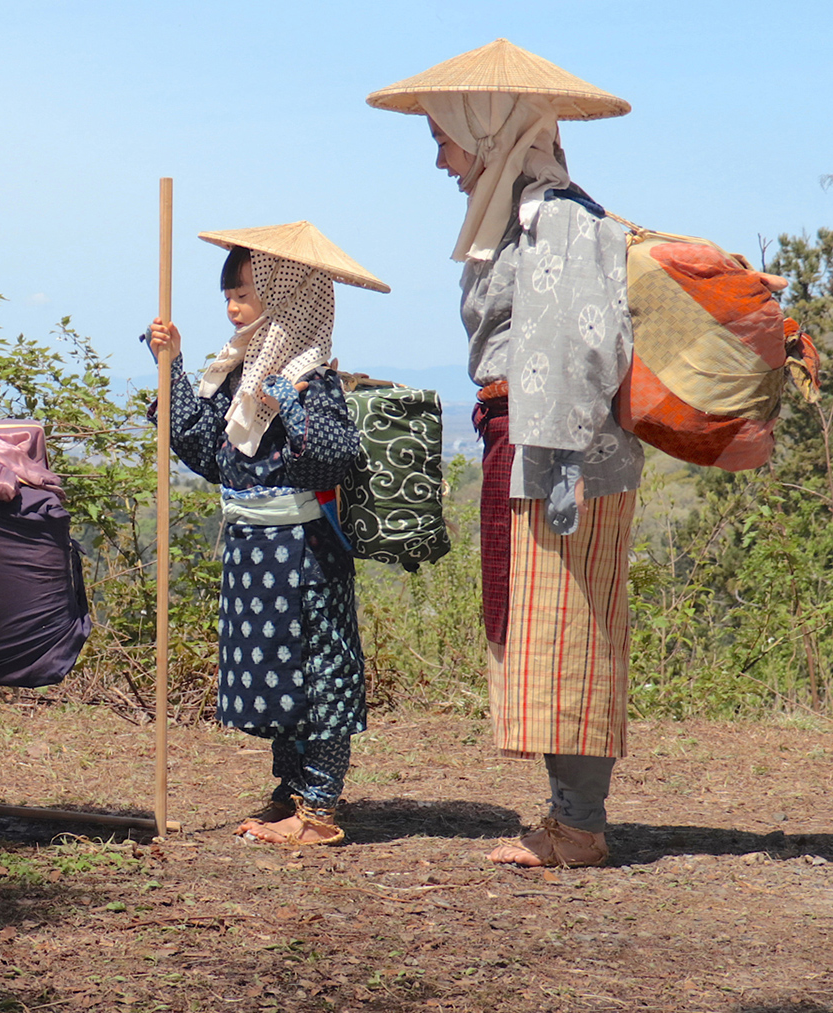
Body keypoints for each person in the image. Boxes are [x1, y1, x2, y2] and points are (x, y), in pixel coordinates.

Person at [368, 39, 642, 866]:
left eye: (446, 138)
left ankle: (579, 826)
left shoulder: (555, 217)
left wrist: (556, 463)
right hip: (529, 440)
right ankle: (568, 816)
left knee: (570, 625)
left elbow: (585, 350)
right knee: (544, 623)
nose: (443, 159)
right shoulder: (516, 217)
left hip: (557, 450)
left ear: (487, 130)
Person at [148, 222, 388, 847]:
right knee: (279, 674)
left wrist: (287, 399)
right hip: (253, 554)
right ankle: (292, 791)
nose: (232, 309)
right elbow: (207, 449)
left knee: (320, 671)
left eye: (245, 295)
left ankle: (318, 810)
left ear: (286, 297)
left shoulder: (311, 379)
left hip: (304, 554)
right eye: (227, 295)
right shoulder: (239, 378)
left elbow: (333, 457)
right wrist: (170, 366)